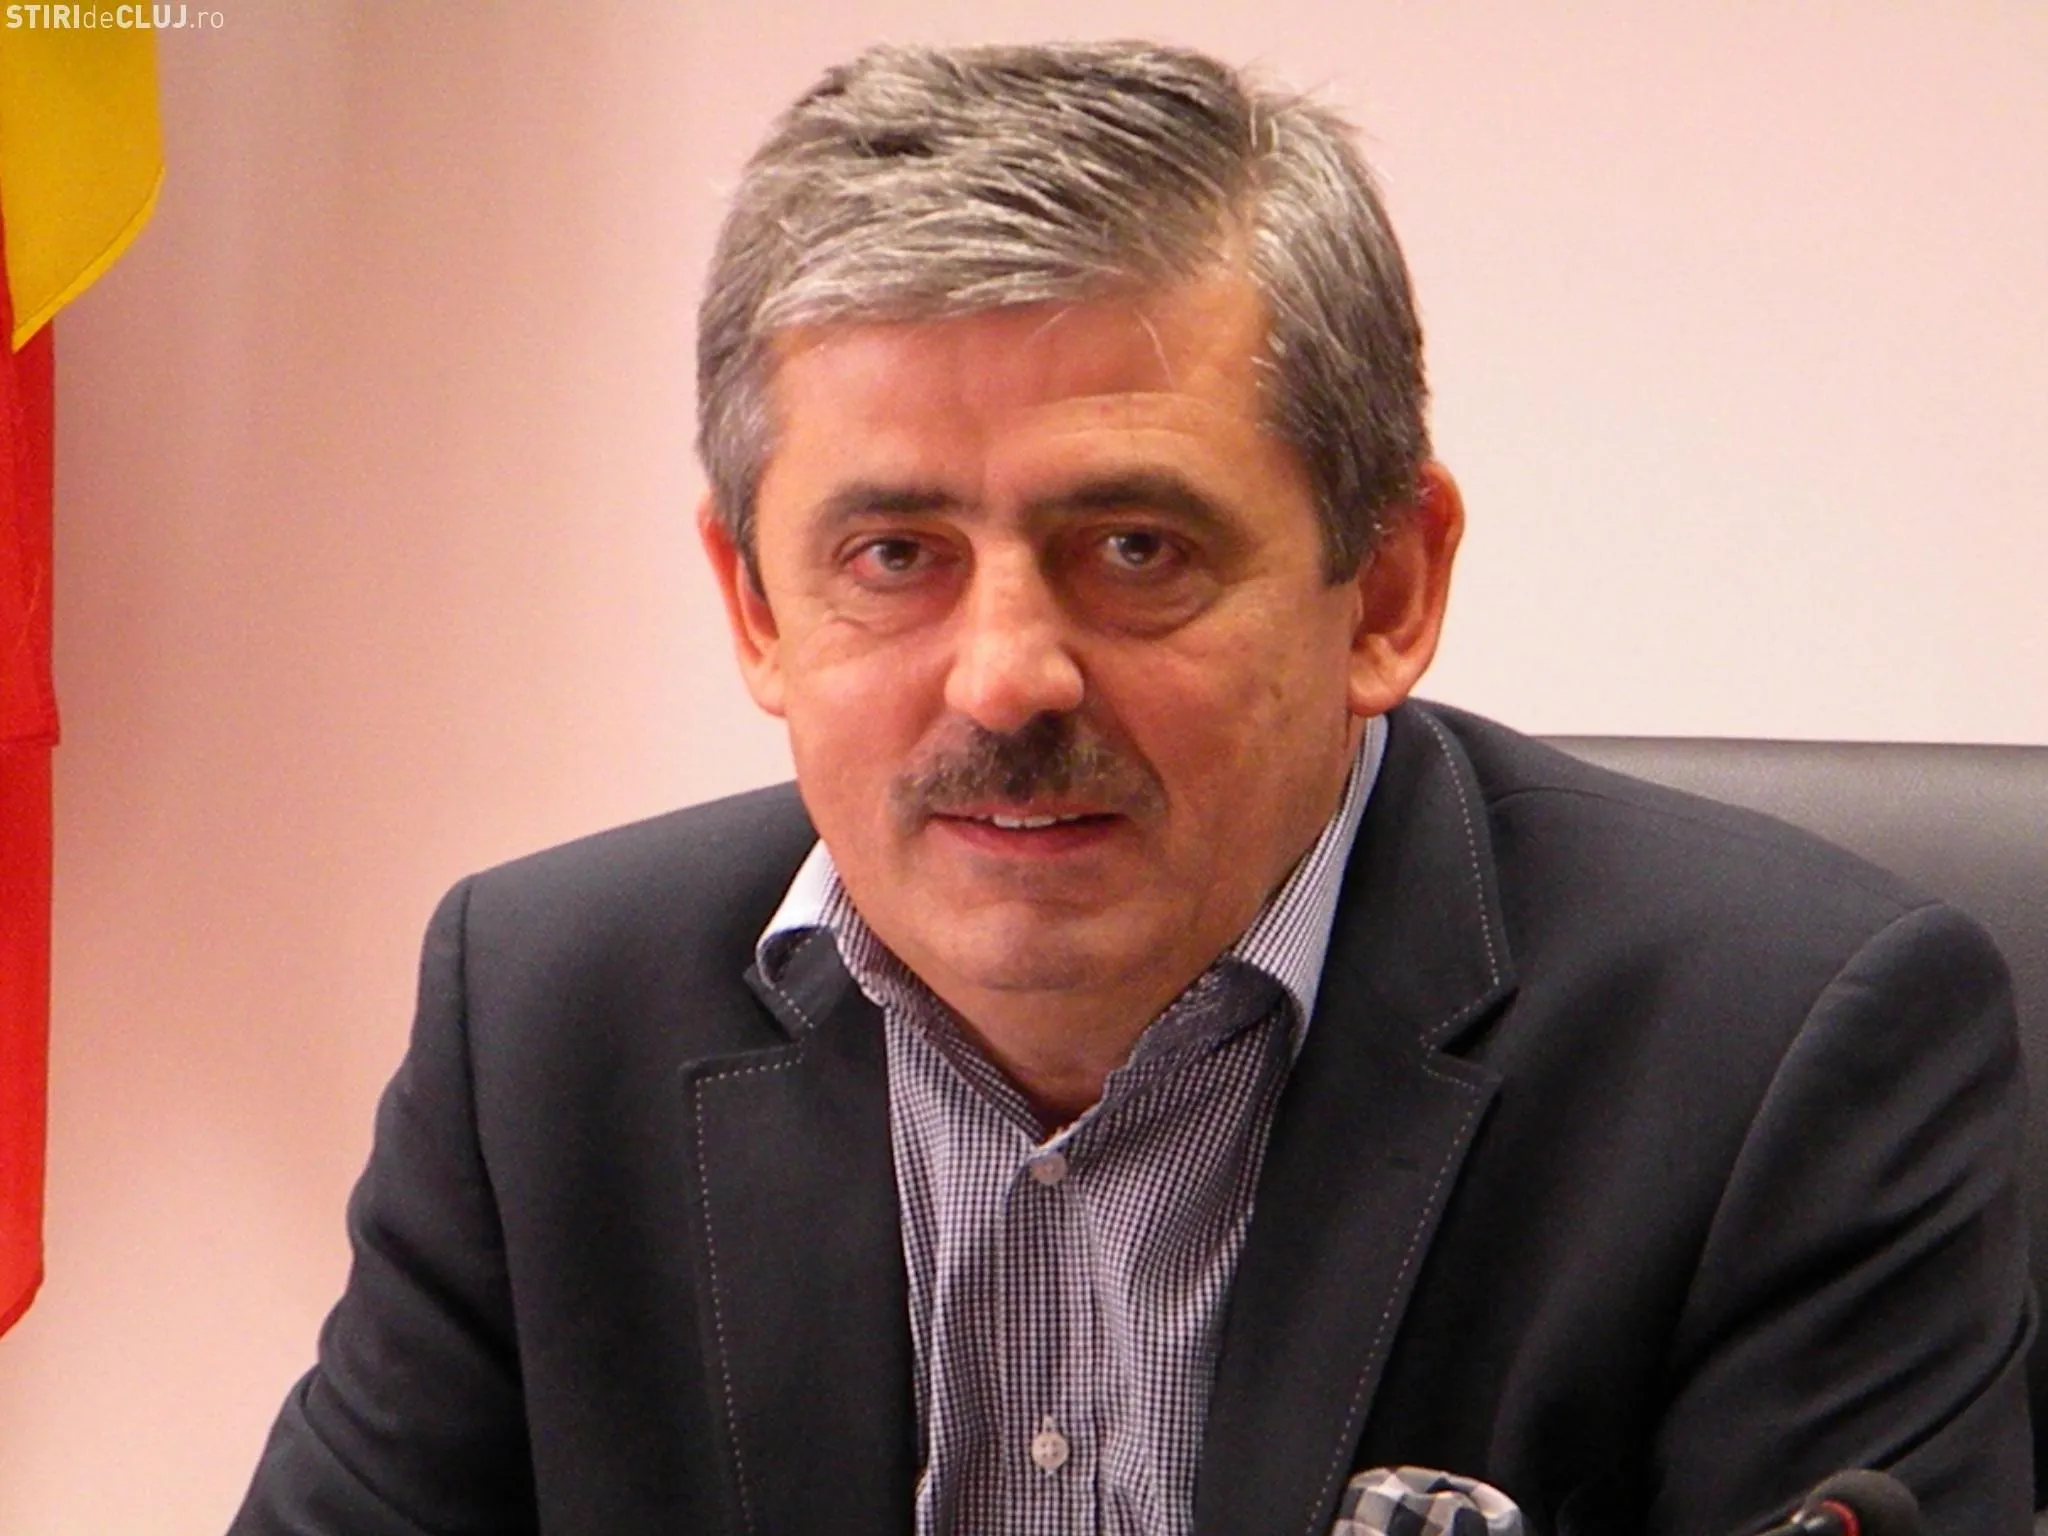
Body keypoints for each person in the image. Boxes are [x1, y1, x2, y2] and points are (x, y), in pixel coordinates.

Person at [231, 40, 2030, 1536]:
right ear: (755, 607)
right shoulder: (544, 1022)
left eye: (1136, 548)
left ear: (1386, 592)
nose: (1006, 676)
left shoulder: (1780, 1057)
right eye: (893, 556)